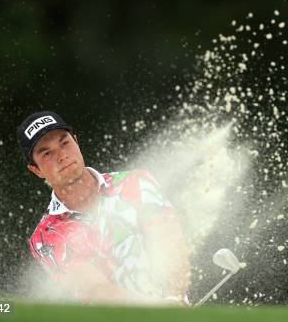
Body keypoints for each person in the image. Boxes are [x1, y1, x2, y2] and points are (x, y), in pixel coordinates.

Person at [17, 111, 190, 304]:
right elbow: (95, 291)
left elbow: (169, 243)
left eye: (64, 143)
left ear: (76, 141)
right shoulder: (45, 236)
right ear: (36, 169)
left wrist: (172, 299)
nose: (61, 156)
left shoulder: (135, 182)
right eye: (47, 153)